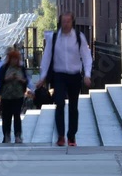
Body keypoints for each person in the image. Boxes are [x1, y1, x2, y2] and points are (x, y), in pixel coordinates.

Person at [36, 12, 92, 147]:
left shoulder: (79, 37)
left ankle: (71, 135)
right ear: (60, 22)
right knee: (59, 103)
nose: (66, 24)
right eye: (64, 21)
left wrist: (87, 74)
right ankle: (61, 135)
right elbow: (47, 57)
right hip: (59, 75)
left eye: (68, 21)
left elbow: (86, 56)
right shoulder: (54, 38)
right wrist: (42, 77)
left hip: (74, 75)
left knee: (73, 106)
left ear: (72, 22)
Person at [0, 49, 31, 143]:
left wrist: (20, 79)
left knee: (17, 115)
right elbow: (0, 79)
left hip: (18, 95)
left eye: (16, 59)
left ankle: (18, 135)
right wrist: (8, 78)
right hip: (6, 96)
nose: (14, 61)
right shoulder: (4, 68)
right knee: (6, 116)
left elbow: (26, 80)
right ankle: (6, 135)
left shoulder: (21, 68)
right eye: (12, 59)